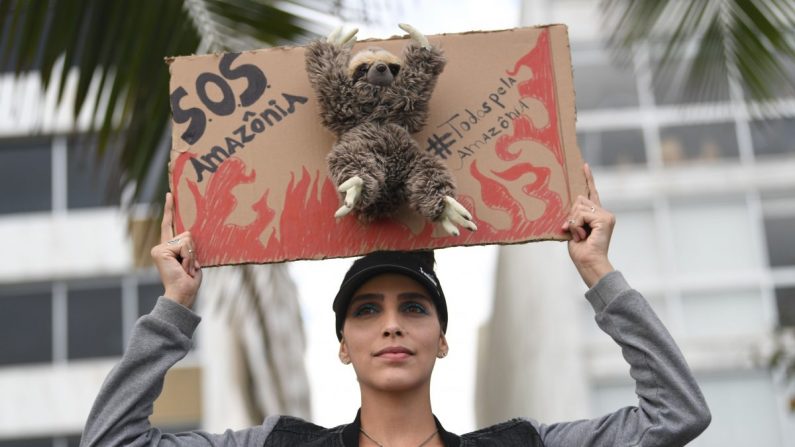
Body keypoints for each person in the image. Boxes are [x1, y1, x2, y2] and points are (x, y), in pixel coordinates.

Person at [80, 165, 711, 446]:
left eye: (413, 308)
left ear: (442, 336)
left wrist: (598, 271)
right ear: (342, 345)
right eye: (365, 311)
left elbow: (676, 415)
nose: (390, 324)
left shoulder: (522, 444)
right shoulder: (281, 445)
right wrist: (174, 307)